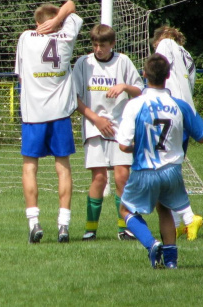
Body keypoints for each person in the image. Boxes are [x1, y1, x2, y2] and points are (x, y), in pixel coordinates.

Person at [115, 53, 203, 268]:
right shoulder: (180, 105)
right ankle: (171, 262)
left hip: (145, 169)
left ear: (144, 75)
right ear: (168, 75)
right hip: (172, 171)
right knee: (165, 209)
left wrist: (139, 147)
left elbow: (123, 144)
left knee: (126, 210)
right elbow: (202, 135)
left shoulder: (135, 104)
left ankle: (152, 244)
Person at [15, 0, 83, 243]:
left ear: (37, 23)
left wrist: (50, 22)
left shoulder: (25, 38)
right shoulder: (67, 35)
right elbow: (72, 5)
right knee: (63, 167)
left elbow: (21, 77)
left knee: (29, 167)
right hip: (59, 114)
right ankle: (63, 225)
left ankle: (34, 223)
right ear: (58, 22)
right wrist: (59, 20)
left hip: (33, 115)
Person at [73, 24, 144, 241]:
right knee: (100, 178)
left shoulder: (122, 61)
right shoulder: (83, 63)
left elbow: (140, 90)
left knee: (122, 176)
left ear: (112, 44)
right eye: (94, 45)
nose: (98, 49)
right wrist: (96, 119)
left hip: (120, 128)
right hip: (94, 127)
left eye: (102, 45)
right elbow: (74, 98)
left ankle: (125, 228)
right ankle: (90, 230)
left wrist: (124, 86)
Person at [152, 25, 203, 240]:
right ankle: (176, 224)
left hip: (169, 113)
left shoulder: (165, 45)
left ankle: (190, 218)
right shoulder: (188, 55)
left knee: (162, 170)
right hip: (185, 114)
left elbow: (158, 72)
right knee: (172, 169)